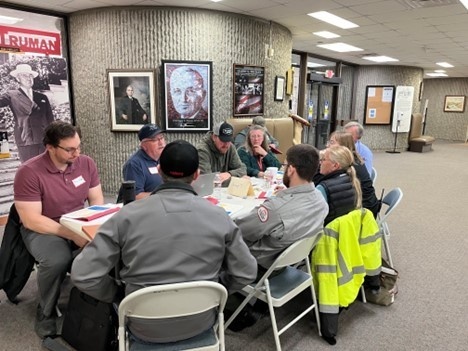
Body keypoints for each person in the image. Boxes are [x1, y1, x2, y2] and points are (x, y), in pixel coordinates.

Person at [71, 140, 257, 344]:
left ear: (159, 170)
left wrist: (119, 293)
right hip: (201, 320)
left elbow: (83, 275)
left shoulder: (126, 217)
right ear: (196, 175)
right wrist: (217, 289)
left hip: (143, 324)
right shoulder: (220, 217)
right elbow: (246, 271)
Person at [14, 121, 104, 339]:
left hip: (77, 221)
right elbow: (31, 219)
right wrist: (72, 234)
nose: (77, 153)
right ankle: (45, 312)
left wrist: (93, 229)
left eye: (79, 147)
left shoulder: (86, 163)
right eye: (70, 149)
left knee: (106, 249)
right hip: (43, 227)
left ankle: (96, 306)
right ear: (50, 147)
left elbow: (97, 201)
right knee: (56, 259)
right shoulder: (29, 172)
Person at [235, 144, 328, 272]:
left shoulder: (275, 209)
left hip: (258, 266)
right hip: (291, 262)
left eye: (284, 166)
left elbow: (239, 230)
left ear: (291, 170)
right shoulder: (321, 201)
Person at [0, 63, 54, 162]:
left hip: (44, 140)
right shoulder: (12, 95)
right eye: (25, 75)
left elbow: (50, 119)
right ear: (18, 78)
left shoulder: (42, 97)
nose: (29, 78)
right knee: (28, 170)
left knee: (46, 169)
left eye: (30, 75)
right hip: (25, 138)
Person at [328, 131, 380, 217]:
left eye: (332, 142)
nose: (328, 145)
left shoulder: (348, 163)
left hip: (365, 209)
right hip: (366, 203)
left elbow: (332, 184)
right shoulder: (353, 157)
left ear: (343, 146)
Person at [314, 145, 362, 225]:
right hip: (344, 232)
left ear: (335, 165)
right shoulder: (353, 181)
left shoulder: (323, 188)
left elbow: (312, 219)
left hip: (326, 233)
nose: (320, 162)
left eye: (323, 159)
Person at [121, 124, 166, 200]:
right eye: (155, 140)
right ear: (143, 145)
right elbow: (135, 196)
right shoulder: (134, 164)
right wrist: (163, 196)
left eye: (161, 138)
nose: (161, 143)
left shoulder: (165, 158)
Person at [197, 121, 247, 185]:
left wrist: (229, 174)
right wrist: (237, 179)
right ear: (214, 137)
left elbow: (242, 169)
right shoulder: (202, 150)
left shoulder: (230, 147)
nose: (226, 144)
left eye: (229, 140)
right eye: (223, 140)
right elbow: (207, 179)